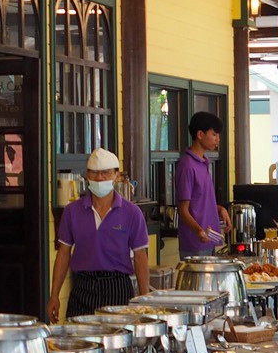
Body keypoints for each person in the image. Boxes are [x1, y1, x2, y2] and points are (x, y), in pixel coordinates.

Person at [47, 148, 151, 321]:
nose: (100, 178)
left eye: (105, 173)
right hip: (82, 287)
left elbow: (140, 256)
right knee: (79, 341)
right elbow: (63, 254)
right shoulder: (72, 211)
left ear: (116, 176)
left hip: (117, 287)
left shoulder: (132, 212)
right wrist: (54, 295)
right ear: (87, 175)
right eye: (94, 173)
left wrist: (145, 299)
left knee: (117, 340)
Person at [175, 113, 230, 257]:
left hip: (210, 239)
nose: (218, 139)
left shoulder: (204, 162)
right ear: (200, 134)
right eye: (214, 134)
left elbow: (199, 202)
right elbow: (183, 209)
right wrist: (198, 231)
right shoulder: (187, 165)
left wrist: (219, 209)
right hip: (195, 244)